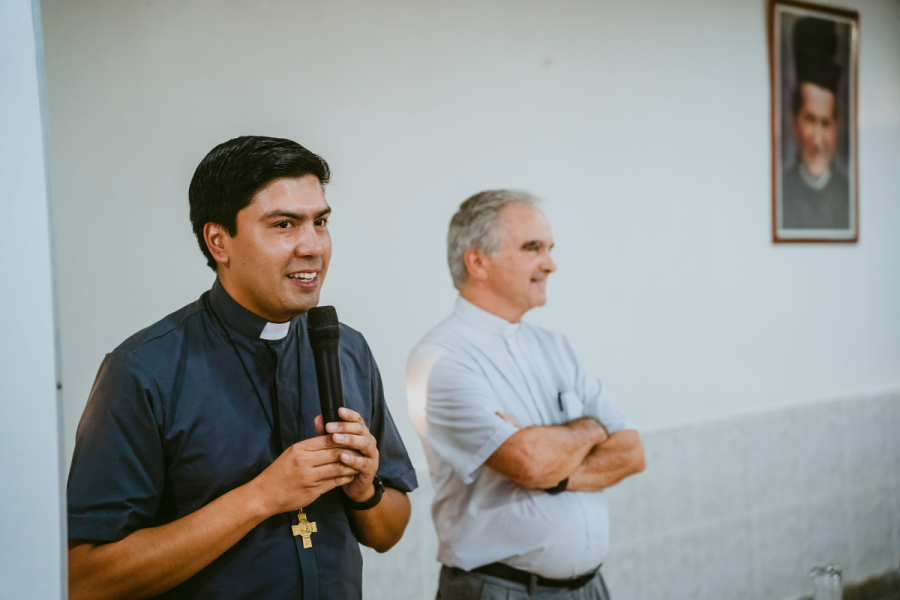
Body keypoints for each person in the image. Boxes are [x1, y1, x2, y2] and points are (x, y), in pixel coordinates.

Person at [66, 136, 417, 600]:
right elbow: (85, 579)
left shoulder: (346, 348)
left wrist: (364, 491)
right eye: (285, 225)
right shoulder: (143, 369)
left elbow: (387, 533)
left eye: (321, 221)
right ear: (219, 241)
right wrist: (261, 497)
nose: (313, 246)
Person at [407, 190, 645, 600]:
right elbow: (530, 462)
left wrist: (557, 466)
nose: (551, 264)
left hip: (591, 589)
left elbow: (631, 452)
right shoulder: (440, 361)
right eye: (533, 248)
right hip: (501, 591)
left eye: (549, 248)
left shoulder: (557, 347)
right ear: (478, 262)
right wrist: (590, 429)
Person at [782, 16, 850, 230]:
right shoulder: (783, 190)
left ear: (837, 125)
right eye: (810, 120)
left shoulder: (846, 192)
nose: (818, 141)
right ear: (795, 123)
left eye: (826, 123)